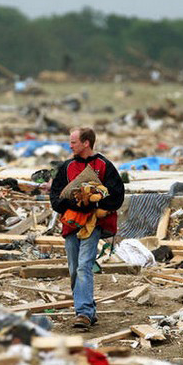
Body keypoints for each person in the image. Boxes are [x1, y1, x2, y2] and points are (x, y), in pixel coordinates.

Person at [49, 127, 125, 329]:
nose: (70, 145)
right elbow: (55, 196)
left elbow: (116, 195)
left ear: (86, 143)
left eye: (73, 142)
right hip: (71, 223)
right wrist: (72, 205)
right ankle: (88, 309)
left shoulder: (104, 166)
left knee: (84, 266)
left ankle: (82, 313)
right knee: (74, 269)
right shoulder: (66, 167)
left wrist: (98, 206)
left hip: (93, 225)